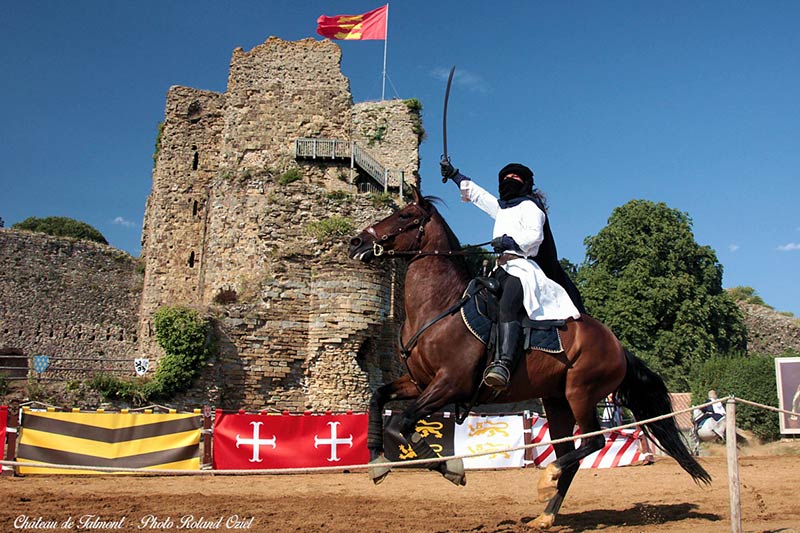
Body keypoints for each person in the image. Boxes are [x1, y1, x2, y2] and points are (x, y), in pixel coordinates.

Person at [441, 159, 585, 391]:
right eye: (505, 178)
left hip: (522, 268)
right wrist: (455, 175)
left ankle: (503, 365)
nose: (509, 181)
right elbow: (479, 196)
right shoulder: (502, 208)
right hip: (499, 269)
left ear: (525, 183)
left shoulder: (531, 207)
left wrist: (510, 242)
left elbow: (534, 238)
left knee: (508, 304)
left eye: (514, 178)